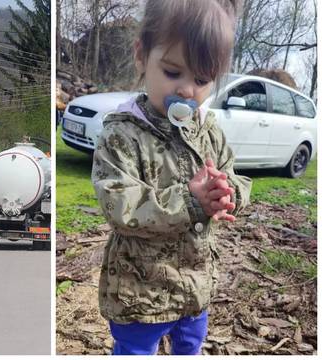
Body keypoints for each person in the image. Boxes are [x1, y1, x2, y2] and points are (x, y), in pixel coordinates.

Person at [91, 0, 252, 355]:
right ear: (141, 56)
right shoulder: (122, 135)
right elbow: (120, 205)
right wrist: (191, 200)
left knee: (190, 347)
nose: (186, 90)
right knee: (136, 351)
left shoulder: (208, 132)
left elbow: (236, 176)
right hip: (139, 292)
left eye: (201, 79)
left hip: (195, 287)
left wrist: (227, 193)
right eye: (172, 72)